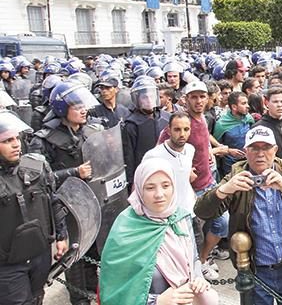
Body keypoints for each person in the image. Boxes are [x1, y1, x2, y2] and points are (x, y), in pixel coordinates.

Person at [194, 125, 282, 305]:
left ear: (275, 150)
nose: (260, 154)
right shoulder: (237, 175)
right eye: (254, 148)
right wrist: (224, 189)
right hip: (256, 270)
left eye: (266, 148)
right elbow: (202, 211)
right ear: (246, 151)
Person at [99, 160, 218, 305]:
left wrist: (198, 278)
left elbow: (193, 259)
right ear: (139, 189)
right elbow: (115, 290)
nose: (159, 194)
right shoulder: (126, 227)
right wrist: (156, 301)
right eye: (150, 188)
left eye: (166, 186)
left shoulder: (181, 217)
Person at [28, 81, 101, 305]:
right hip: (63, 208)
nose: (83, 110)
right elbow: (34, 179)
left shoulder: (89, 131)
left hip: (90, 202)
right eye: (77, 106)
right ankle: (79, 299)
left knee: (92, 251)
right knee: (74, 257)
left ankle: (92, 289)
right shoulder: (41, 139)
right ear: (62, 108)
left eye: (83, 105)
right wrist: (74, 172)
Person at [159, 80, 230, 281]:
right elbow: (160, 152)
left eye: (202, 96)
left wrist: (210, 151)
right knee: (189, 235)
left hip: (208, 183)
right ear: (186, 99)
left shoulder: (203, 119)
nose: (198, 101)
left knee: (222, 223)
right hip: (188, 190)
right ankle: (194, 270)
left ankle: (204, 258)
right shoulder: (181, 122)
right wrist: (184, 170)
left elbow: (202, 141)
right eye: (194, 97)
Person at [0, 111, 68, 305]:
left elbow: (53, 201)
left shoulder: (35, 165)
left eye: (16, 138)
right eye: (7, 141)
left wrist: (61, 235)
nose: (16, 144)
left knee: (37, 298)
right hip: (7, 266)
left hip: (40, 255)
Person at [123, 76, 170, 187]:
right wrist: (132, 182)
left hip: (167, 169)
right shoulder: (132, 124)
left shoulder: (167, 118)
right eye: (144, 97)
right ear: (137, 99)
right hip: (145, 174)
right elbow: (129, 157)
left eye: (151, 96)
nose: (149, 100)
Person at [213, 91, 253, 176]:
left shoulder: (249, 119)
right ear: (234, 107)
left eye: (247, 103)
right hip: (230, 166)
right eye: (243, 103)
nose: (248, 106)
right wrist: (229, 151)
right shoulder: (222, 124)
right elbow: (216, 147)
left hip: (249, 162)